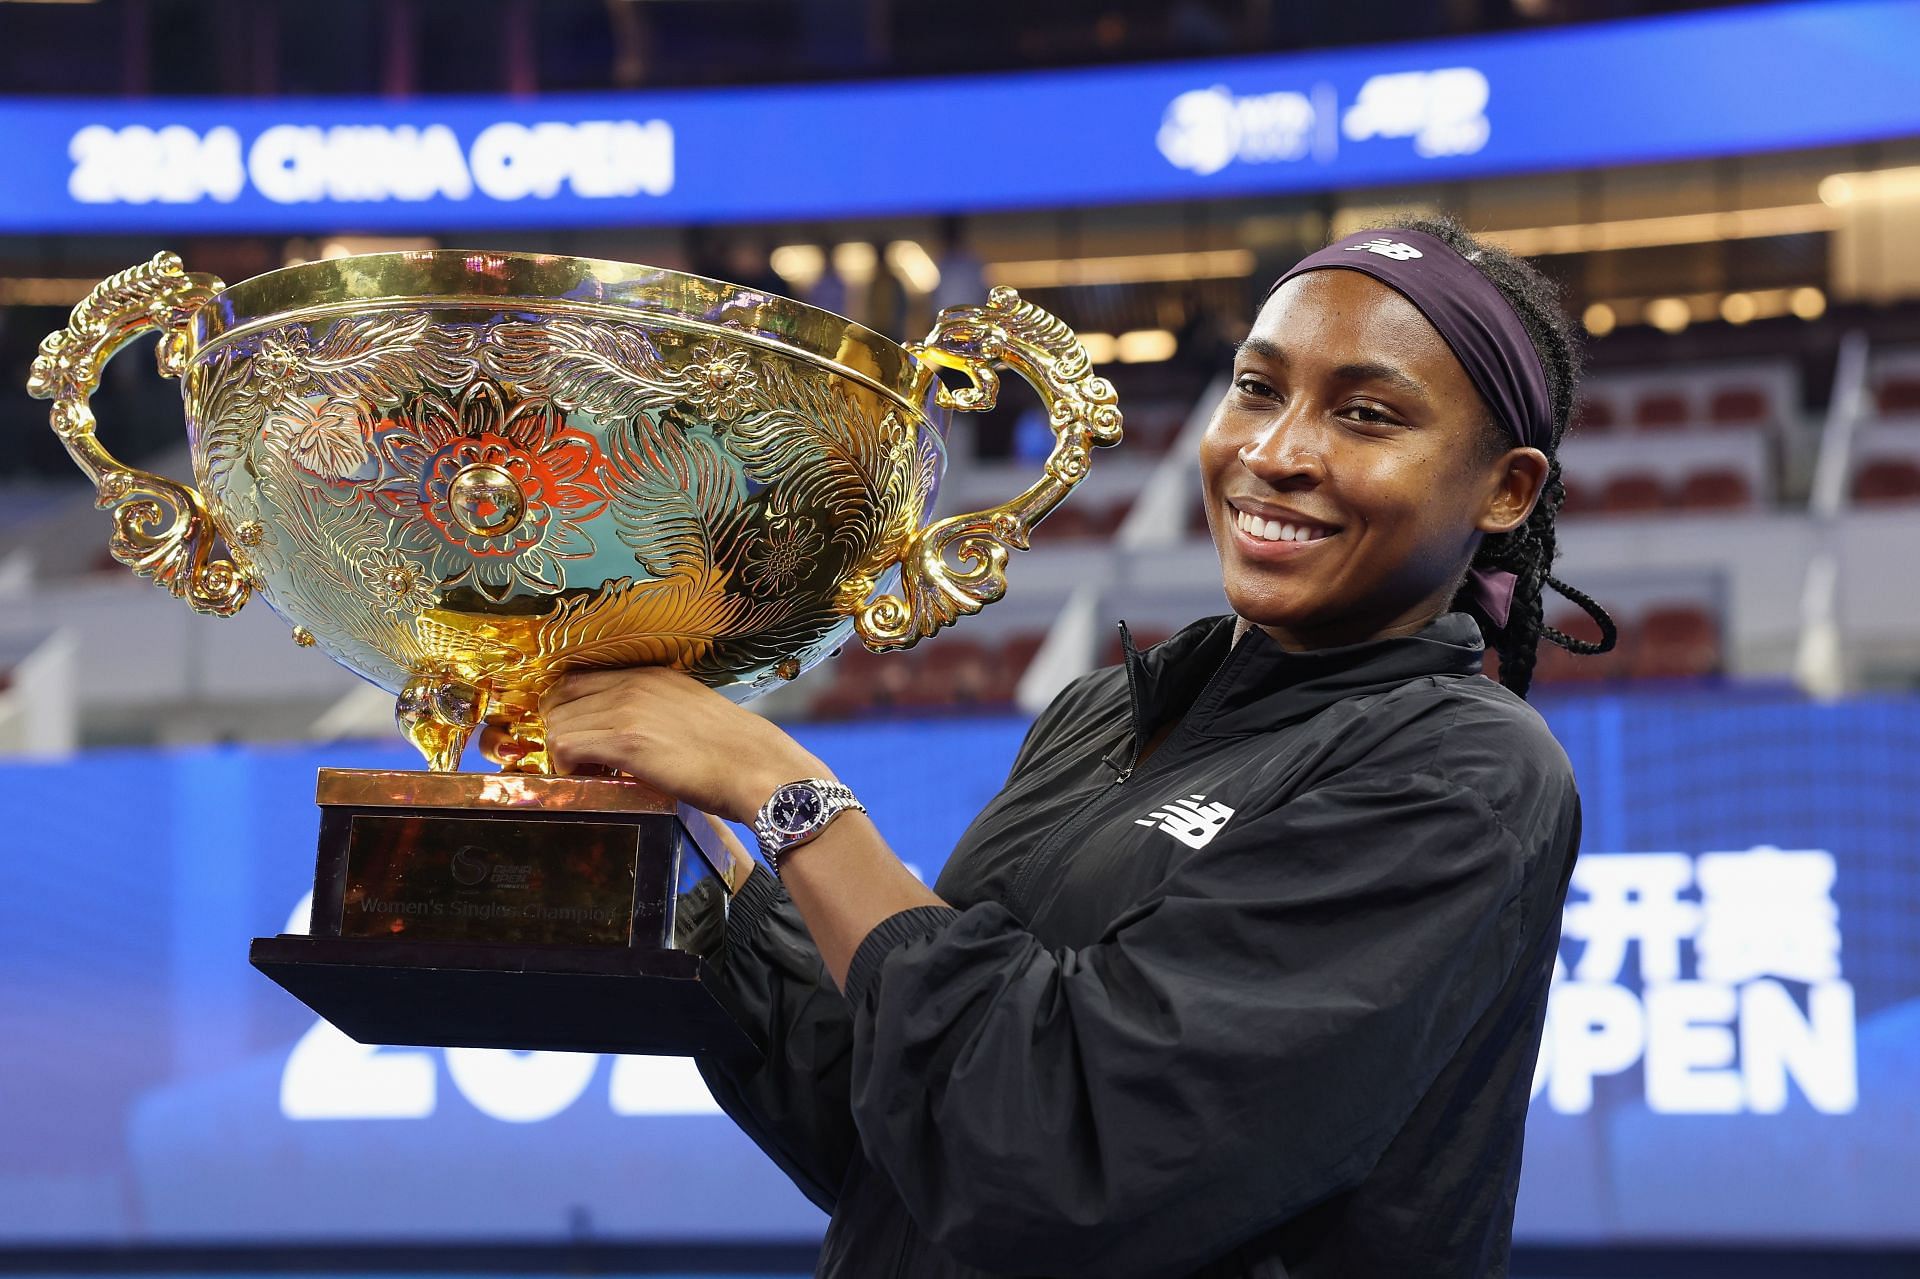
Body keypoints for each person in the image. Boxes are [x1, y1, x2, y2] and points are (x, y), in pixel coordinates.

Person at [537, 215, 1617, 1278]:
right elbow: (909, 1133)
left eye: (1368, 415)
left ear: (1504, 488)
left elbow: (1054, 1154)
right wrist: (693, 864)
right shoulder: (1103, 714)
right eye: (1256, 386)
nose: (1278, 451)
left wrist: (787, 792)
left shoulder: (1464, 772)